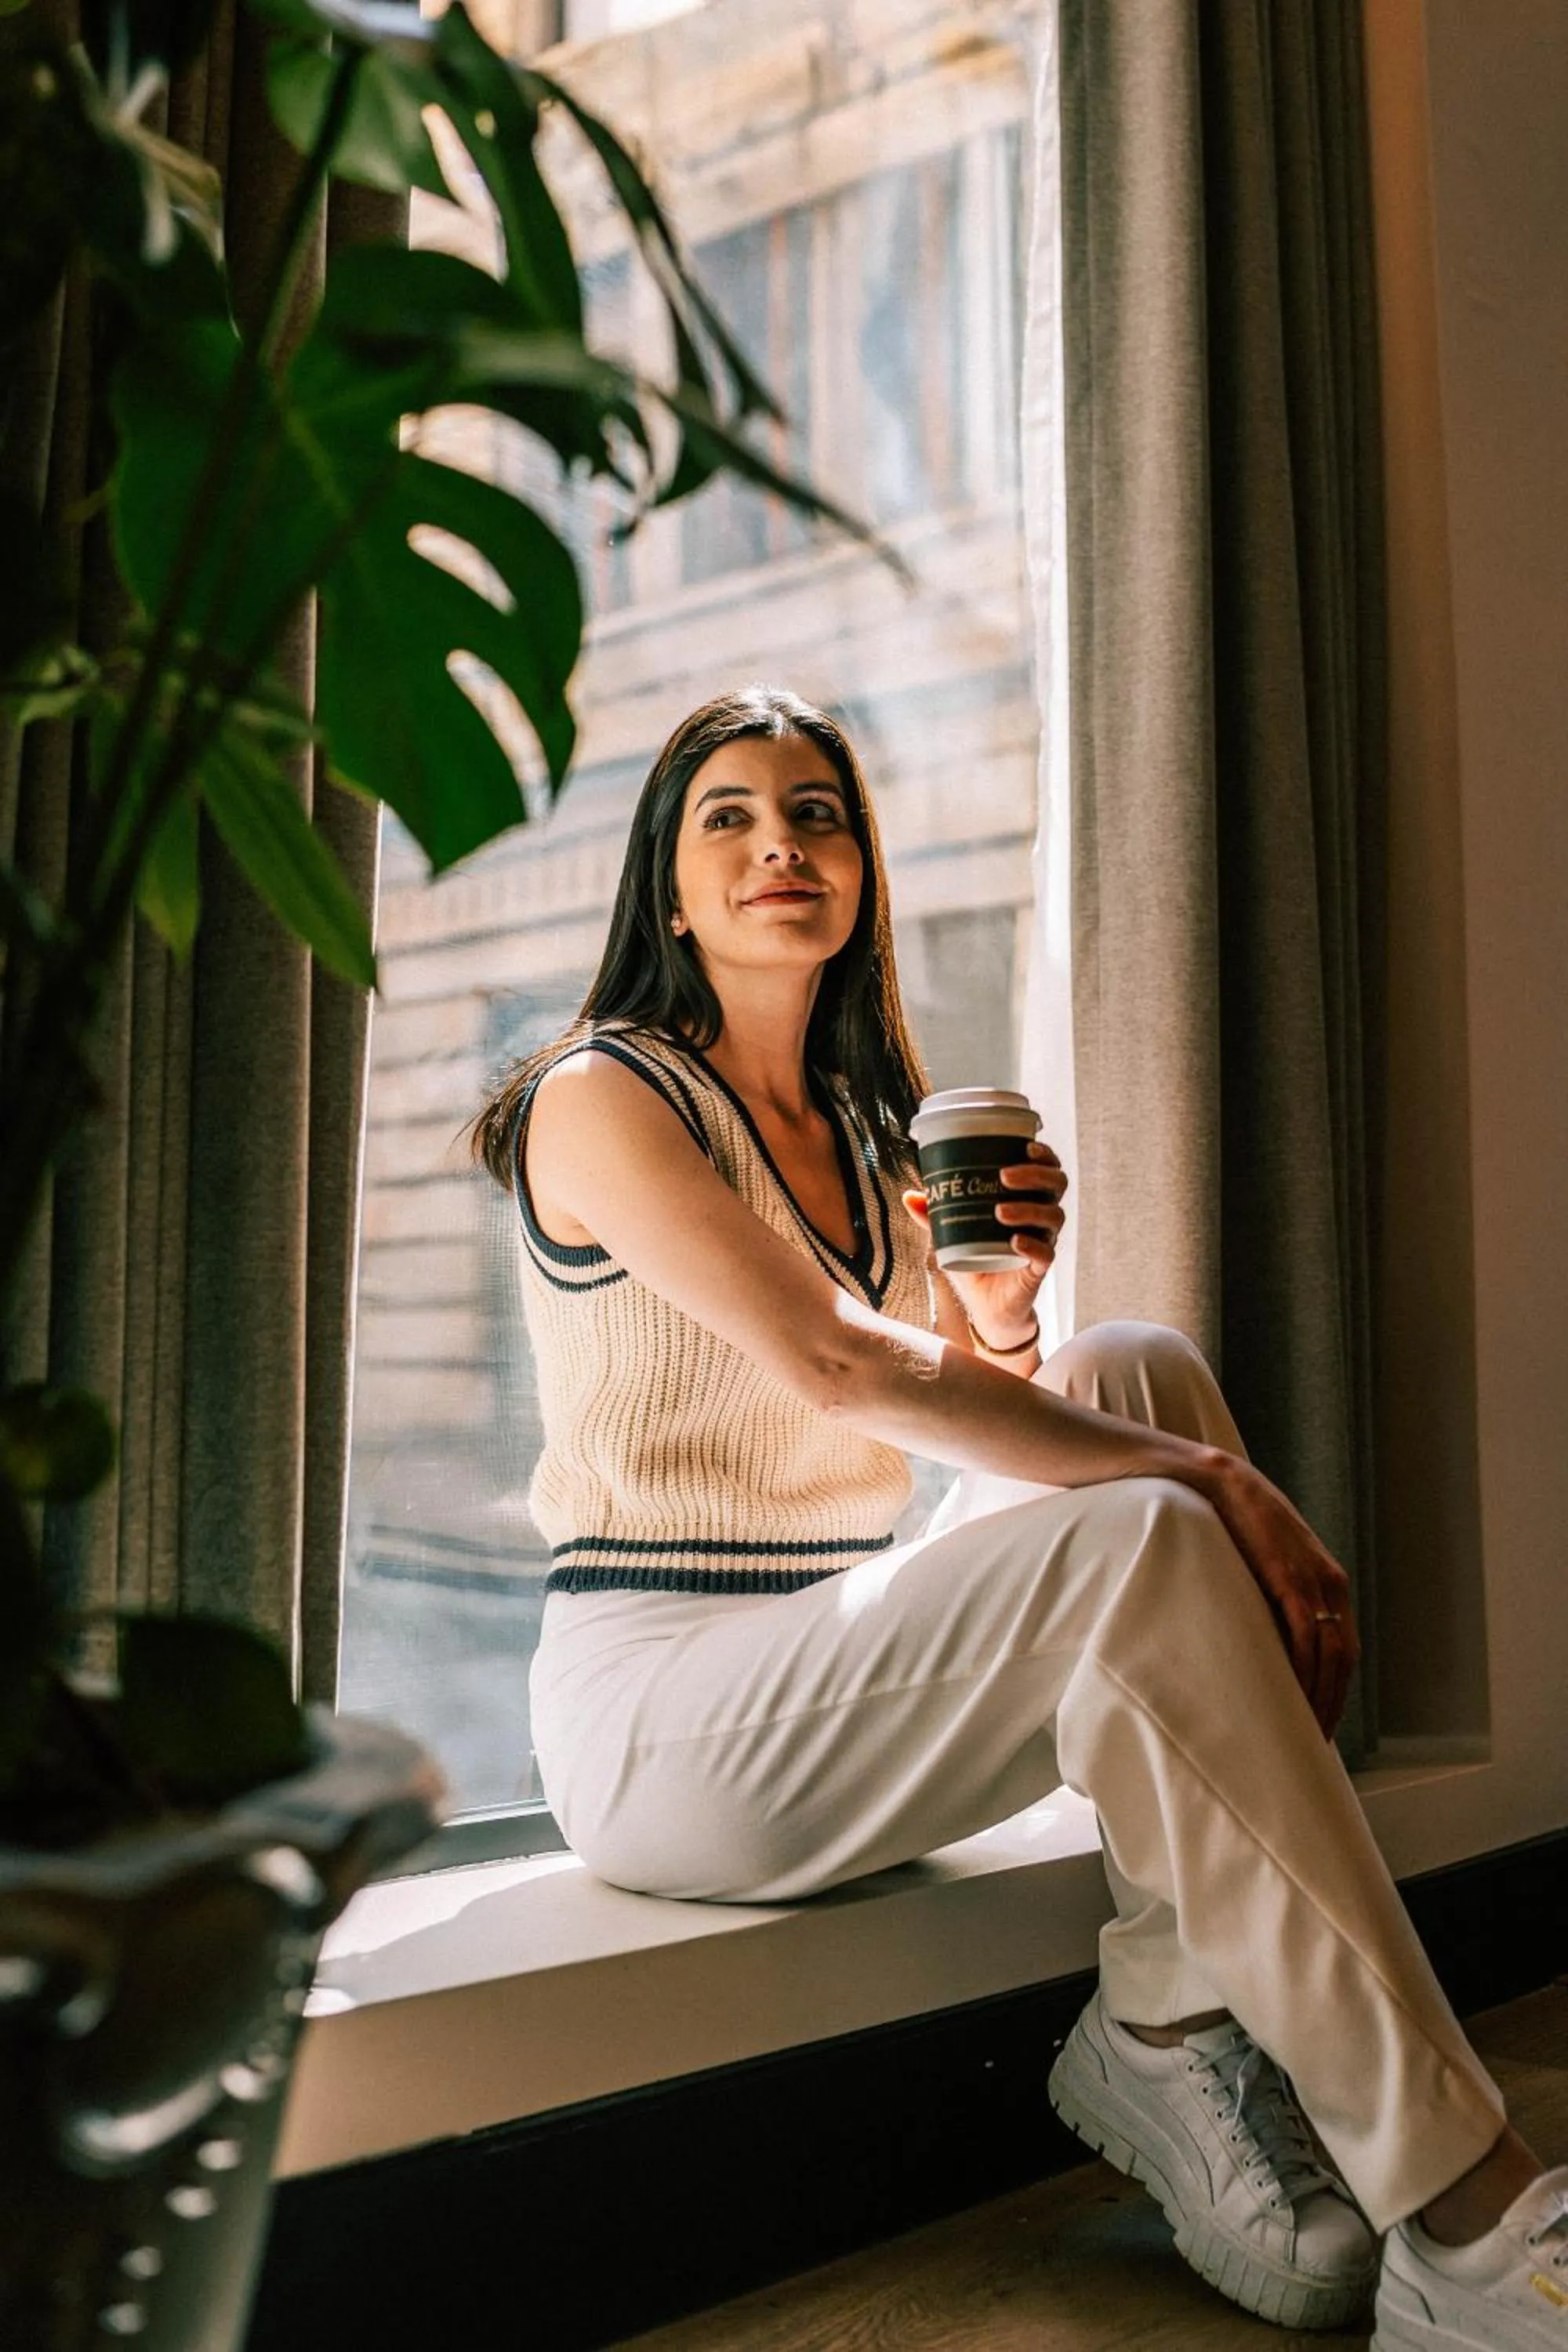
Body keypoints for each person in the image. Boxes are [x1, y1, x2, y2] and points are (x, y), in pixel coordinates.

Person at [472, 684, 1564, 2347]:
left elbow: (963, 1403)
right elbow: (838, 1367)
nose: (782, 843)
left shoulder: (860, 1129)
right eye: (730, 818)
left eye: (819, 814)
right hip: (661, 1718)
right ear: (670, 890)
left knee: (1137, 1371)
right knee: (1150, 1499)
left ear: (862, 875)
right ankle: (1461, 2212)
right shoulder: (601, 1095)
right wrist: (1219, 1491)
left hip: (830, 1663)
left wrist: (997, 1303)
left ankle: (1175, 2022)